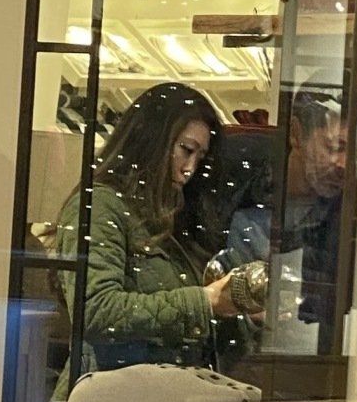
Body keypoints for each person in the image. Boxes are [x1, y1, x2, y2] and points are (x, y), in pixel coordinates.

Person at [51, 81, 265, 385]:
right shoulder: (99, 205)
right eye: (186, 150)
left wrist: (240, 312)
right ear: (152, 141)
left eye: (200, 158)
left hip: (155, 401)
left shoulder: (175, 217)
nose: (189, 169)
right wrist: (206, 302)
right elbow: (94, 311)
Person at [224, 89, 349, 346]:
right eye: (334, 147)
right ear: (296, 133)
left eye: (354, 152)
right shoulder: (239, 193)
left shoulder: (351, 218)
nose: (343, 164)